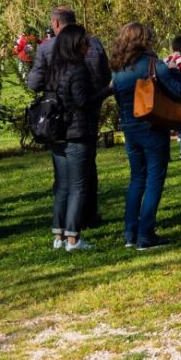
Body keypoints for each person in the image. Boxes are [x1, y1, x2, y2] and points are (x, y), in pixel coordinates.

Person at [28, 6, 111, 229]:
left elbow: (33, 84)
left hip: (57, 115)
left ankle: (65, 223)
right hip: (88, 113)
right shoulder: (94, 45)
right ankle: (87, 215)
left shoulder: (47, 49)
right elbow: (105, 76)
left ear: (55, 24)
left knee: (64, 176)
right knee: (85, 170)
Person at [110, 22, 181, 250]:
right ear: (145, 40)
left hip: (129, 127)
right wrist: (173, 70)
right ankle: (146, 233)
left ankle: (130, 233)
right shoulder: (153, 65)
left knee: (136, 179)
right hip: (152, 126)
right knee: (154, 179)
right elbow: (178, 91)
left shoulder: (118, 68)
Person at [46, 24, 106, 251]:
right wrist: (107, 90)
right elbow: (82, 101)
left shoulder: (55, 69)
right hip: (77, 133)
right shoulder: (77, 69)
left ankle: (59, 235)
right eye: (84, 42)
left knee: (62, 186)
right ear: (74, 44)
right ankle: (73, 237)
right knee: (79, 186)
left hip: (57, 134)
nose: (87, 45)